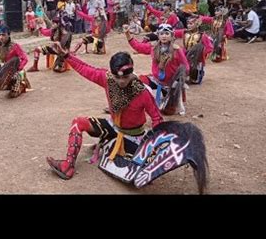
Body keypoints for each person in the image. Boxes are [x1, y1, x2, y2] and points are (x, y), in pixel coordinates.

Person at [46, 48, 163, 180]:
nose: (121, 81)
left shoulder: (143, 92)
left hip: (133, 136)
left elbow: (157, 118)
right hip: (113, 127)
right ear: (112, 74)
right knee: (78, 123)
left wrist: (154, 145)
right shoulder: (107, 79)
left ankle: (115, 147)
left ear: (132, 72)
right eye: (117, 77)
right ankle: (67, 166)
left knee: (140, 168)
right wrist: (67, 55)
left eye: (125, 77)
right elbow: (85, 69)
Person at [123, 23, 190, 115]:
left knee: (167, 112)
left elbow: (186, 67)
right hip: (156, 80)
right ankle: (128, 105)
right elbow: (138, 46)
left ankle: (170, 98)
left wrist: (178, 81)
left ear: (171, 36)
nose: (164, 36)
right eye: (161, 34)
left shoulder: (177, 50)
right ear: (158, 35)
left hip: (171, 84)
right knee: (136, 83)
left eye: (167, 34)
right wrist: (128, 34)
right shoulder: (153, 48)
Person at [173, 16, 213, 84]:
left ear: (197, 24)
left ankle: (197, 73)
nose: (189, 25)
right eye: (188, 23)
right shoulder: (184, 32)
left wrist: (201, 53)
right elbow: (172, 32)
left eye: (191, 23)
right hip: (186, 54)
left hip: (196, 58)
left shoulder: (202, 35)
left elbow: (209, 47)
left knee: (195, 79)